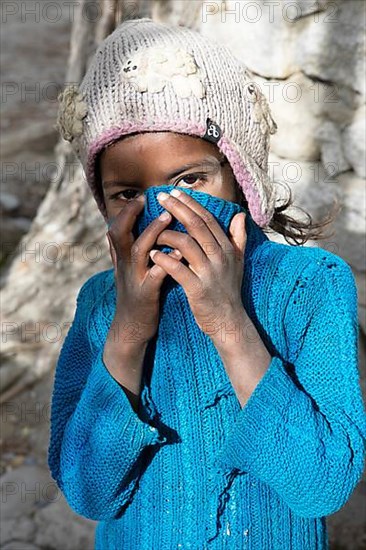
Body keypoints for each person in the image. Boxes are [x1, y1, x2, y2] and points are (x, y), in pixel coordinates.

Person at [48, 17, 366, 550]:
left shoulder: (311, 288)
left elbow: (321, 486)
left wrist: (228, 324)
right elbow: (87, 494)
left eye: (189, 182)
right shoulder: (100, 303)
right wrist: (128, 332)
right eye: (127, 193)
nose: (163, 212)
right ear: (100, 202)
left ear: (241, 178)